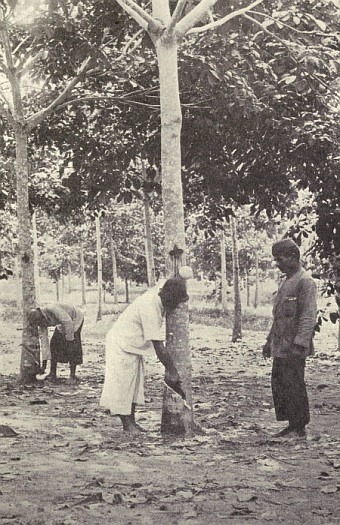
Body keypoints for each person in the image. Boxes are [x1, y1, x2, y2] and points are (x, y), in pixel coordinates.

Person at [100, 277, 188, 434]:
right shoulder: (150, 306)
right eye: (175, 303)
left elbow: (167, 281)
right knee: (123, 384)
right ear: (169, 298)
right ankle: (127, 425)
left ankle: (132, 421)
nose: (175, 307)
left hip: (133, 345)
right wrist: (171, 369)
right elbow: (158, 345)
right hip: (121, 343)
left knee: (134, 385)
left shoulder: (160, 293)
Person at [263, 239, 317, 438]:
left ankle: (299, 425)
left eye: (280, 258)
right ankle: (292, 423)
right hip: (281, 344)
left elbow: (308, 316)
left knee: (294, 383)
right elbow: (278, 317)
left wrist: (300, 343)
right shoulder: (286, 281)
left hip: (294, 345)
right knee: (280, 383)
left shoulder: (305, 282)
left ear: (294, 257)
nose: (277, 263)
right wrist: (269, 342)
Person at [28, 303, 84, 383]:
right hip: (62, 323)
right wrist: (43, 366)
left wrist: (69, 341)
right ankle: (52, 373)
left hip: (75, 319)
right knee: (54, 344)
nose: (43, 324)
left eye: (41, 322)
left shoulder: (52, 308)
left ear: (42, 316)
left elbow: (68, 322)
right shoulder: (40, 322)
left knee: (73, 345)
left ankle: (72, 376)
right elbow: (45, 344)